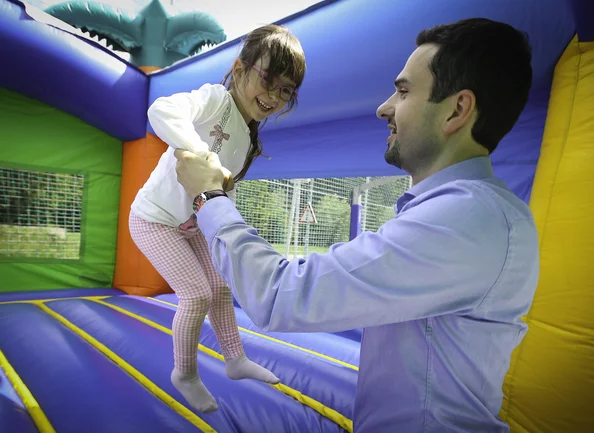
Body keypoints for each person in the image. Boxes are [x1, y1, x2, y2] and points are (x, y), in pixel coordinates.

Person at [174, 18, 539, 433]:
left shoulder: (471, 220)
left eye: (403, 91)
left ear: (457, 109)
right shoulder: (462, 213)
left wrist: (208, 197)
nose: (384, 107)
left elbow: (278, 296)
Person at [128, 24, 306, 413]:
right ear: (240, 69)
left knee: (221, 287)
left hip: (193, 223)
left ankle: (235, 360)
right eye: (269, 80)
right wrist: (198, 152)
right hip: (154, 219)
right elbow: (161, 110)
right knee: (196, 295)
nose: (274, 95)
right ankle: (185, 374)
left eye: (286, 90)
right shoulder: (215, 100)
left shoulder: (249, 135)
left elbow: (226, 188)